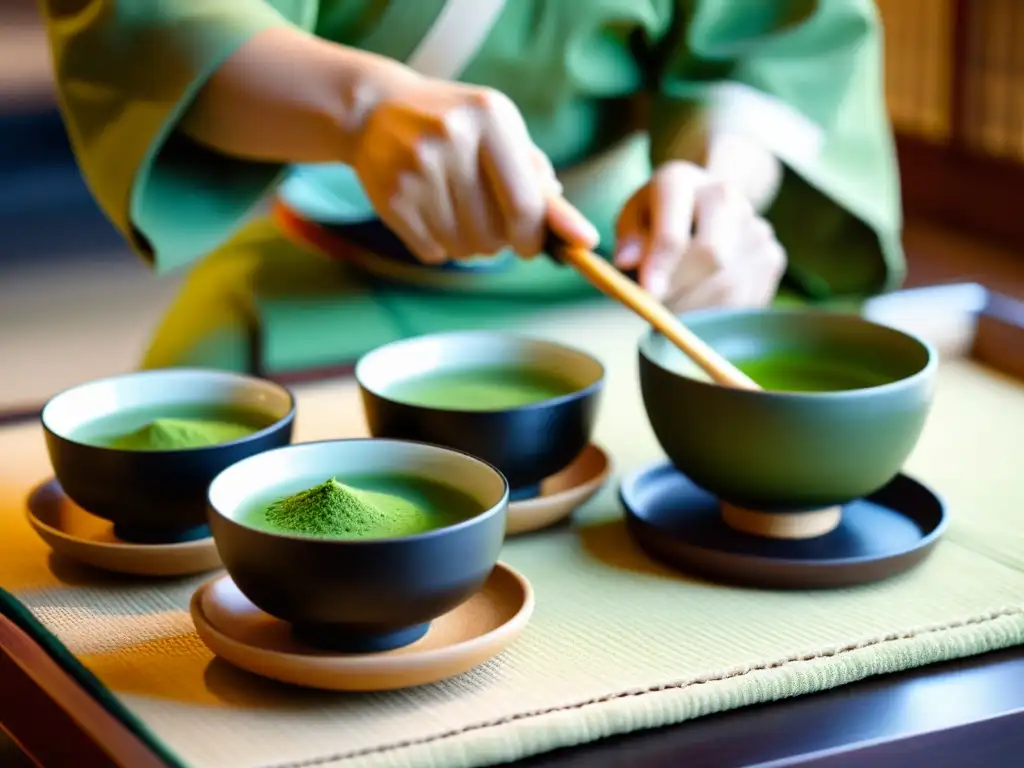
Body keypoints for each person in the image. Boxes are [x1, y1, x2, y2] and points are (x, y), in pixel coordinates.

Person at [40, 0, 902, 376]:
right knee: (158, 523)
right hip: (339, 269)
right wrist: (363, 111)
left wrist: (717, 188)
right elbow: (153, 18)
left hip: (645, 278)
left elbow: (783, 36)